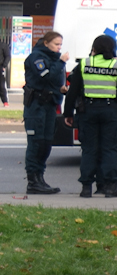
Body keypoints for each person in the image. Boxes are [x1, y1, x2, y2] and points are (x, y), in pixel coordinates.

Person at [63, 33, 117, 197]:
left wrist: (68, 113)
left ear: (94, 48)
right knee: (111, 149)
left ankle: (86, 187)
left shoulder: (84, 64)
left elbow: (72, 92)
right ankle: (110, 186)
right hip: (111, 111)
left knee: (89, 149)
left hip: (88, 110)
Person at [23, 30, 68, 195]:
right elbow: (45, 77)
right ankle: (32, 181)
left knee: (46, 143)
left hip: (50, 105)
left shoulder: (53, 59)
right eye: (56, 44)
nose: (59, 48)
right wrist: (61, 62)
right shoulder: (37, 57)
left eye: (60, 45)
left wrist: (61, 89)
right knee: (36, 143)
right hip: (36, 106)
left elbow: (54, 81)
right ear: (46, 43)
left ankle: (40, 178)